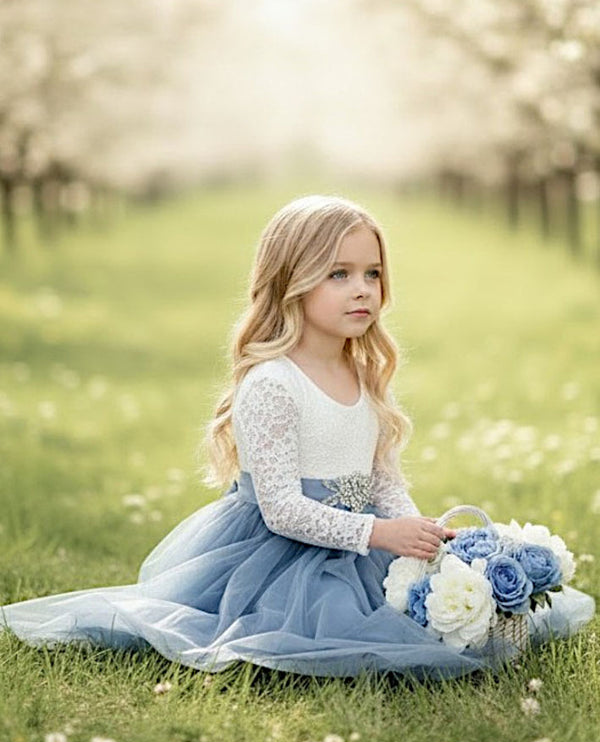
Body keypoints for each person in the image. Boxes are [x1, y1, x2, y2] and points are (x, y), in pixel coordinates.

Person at [0, 195, 594, 679]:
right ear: (292, 282)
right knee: (346, 638)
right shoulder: (274, 384)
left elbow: (384, 480)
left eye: (372, 274)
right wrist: (380, 533)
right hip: (284, 559)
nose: (362, 289)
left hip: (360, 544)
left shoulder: (364, 373)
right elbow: (281, 508)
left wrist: (421, 540)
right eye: (338, 274)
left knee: (431, 610)